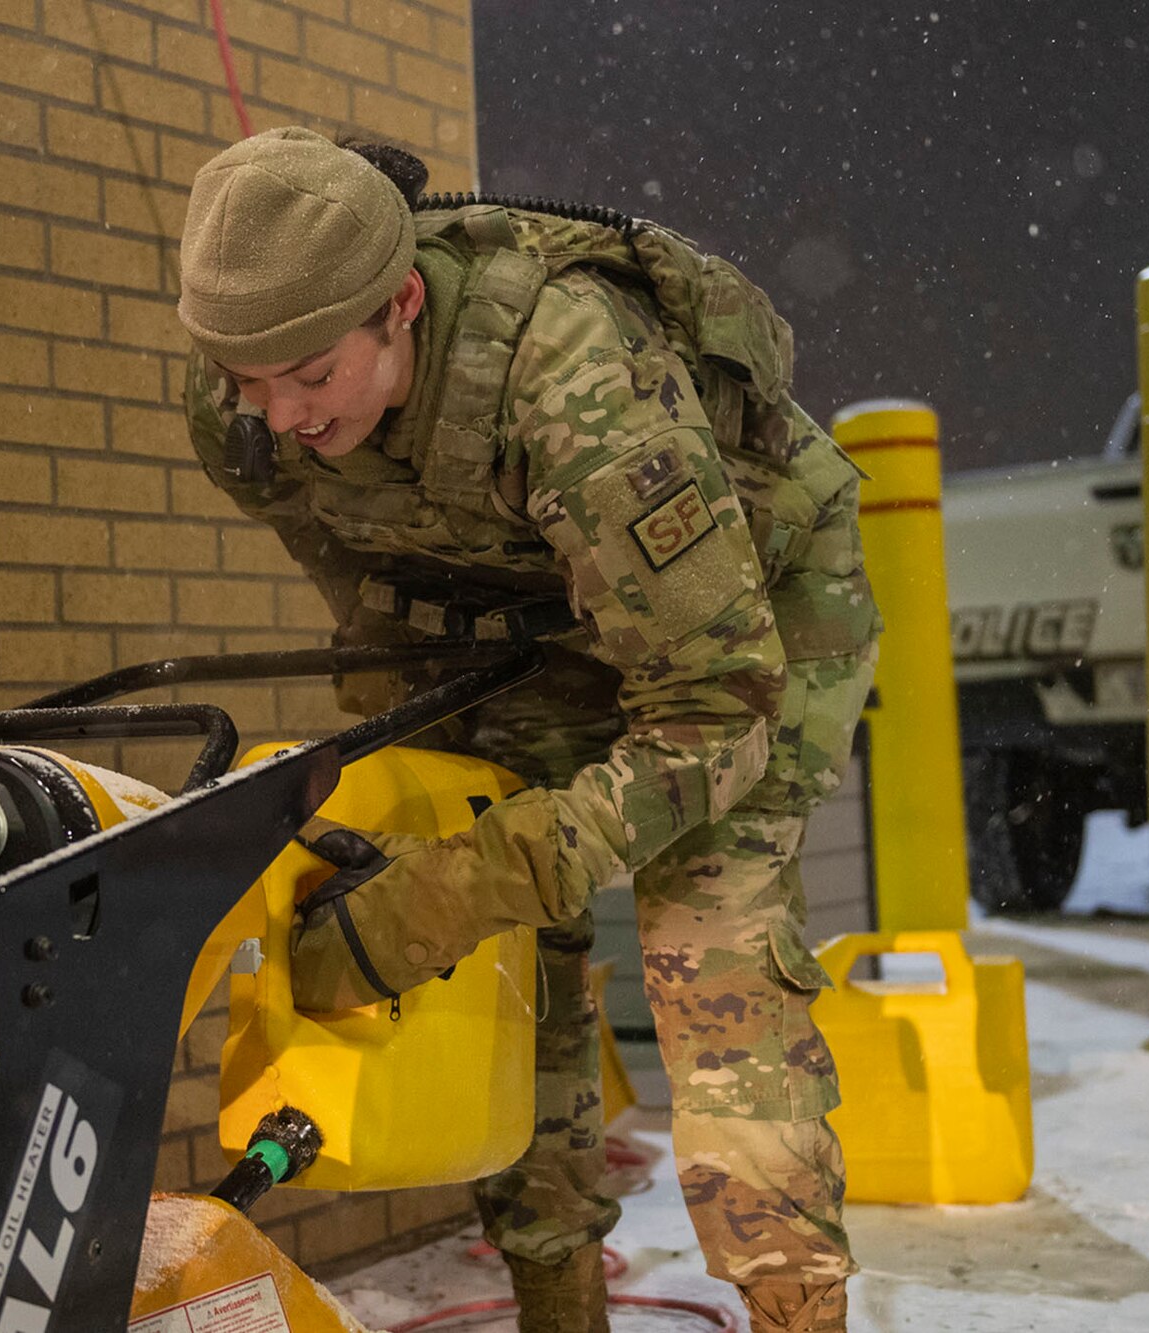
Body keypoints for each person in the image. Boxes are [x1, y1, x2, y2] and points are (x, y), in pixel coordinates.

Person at [175, 127, 880, 1333]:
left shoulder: (570, 376)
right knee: (504, 984)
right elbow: (369, 588)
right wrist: (444, 857)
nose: (281, 415)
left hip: (737, 630)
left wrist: (442, 895)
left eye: (310, 375)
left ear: (398, 304)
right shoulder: (237, 400)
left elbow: (712, 718)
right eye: (249, 383)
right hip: (523, 617)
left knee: (708, 963)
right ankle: (558, 1303)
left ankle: (792, 1310)